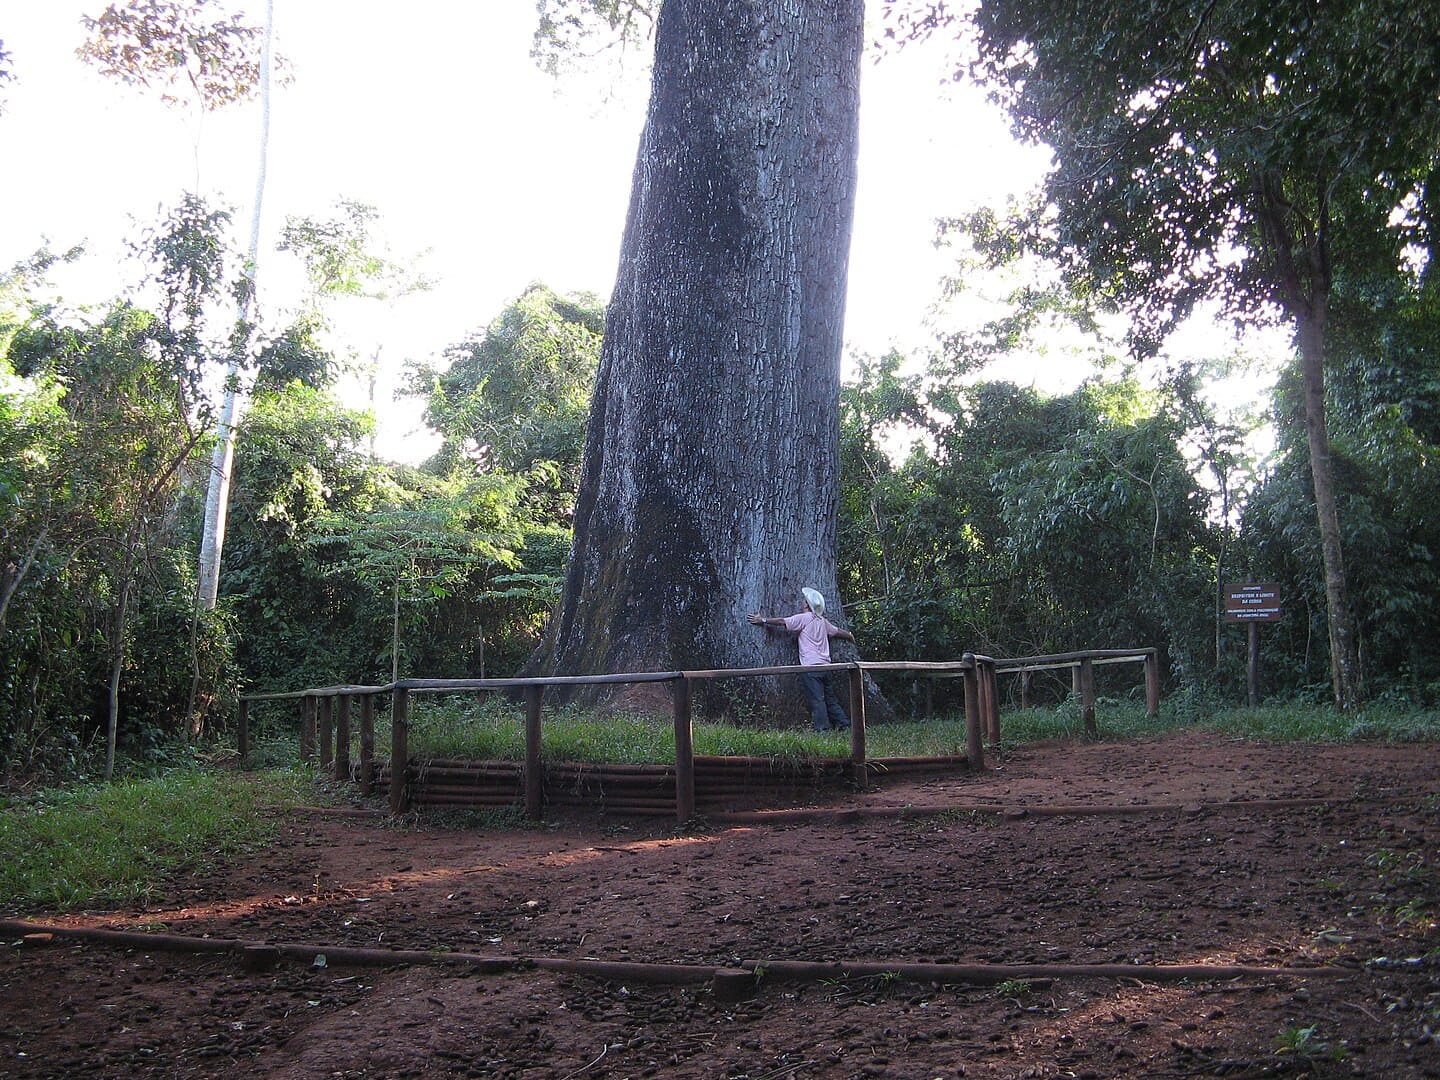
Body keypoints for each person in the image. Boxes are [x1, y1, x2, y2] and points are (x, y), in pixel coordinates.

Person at [748, 588, 855, 731]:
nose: (802, 602)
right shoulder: (822, 621)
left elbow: (782, 621)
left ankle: (823, 729)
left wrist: (763, 620)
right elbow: (837, 631)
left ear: (806, 605)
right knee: (830, 699)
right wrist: (849, 635)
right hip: (826, 666)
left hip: (811, 667)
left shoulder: (804, 618)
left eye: (804, 601)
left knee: (817, 700)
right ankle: (844, 724)